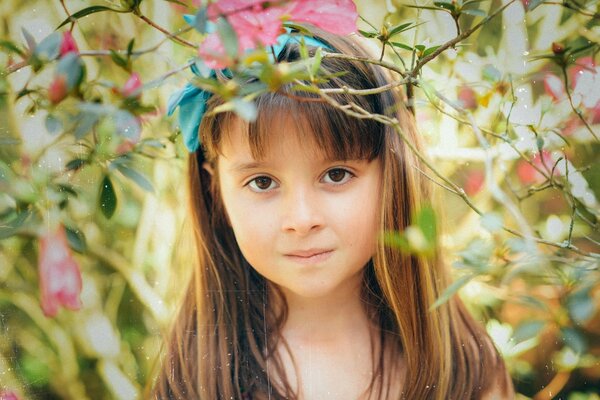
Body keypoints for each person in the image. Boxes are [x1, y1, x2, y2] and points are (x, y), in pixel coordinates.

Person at [152, 26, 514, 400]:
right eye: (262, 182)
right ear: (216, 190)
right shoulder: (192, 381)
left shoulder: (468, 371)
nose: (302, 218)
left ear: (392, 174)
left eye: (336, 175)